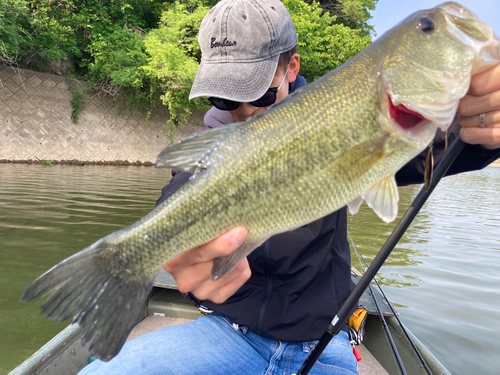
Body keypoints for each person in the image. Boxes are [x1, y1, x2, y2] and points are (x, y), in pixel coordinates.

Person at [79, 0, 500, 374]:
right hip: (229, 333)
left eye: (258, 91)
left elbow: (449, 151)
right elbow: (184, 188)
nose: (242, 111)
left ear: (292, 67)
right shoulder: (202, 149)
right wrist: (172, 248)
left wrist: (484, 128)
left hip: (324, 342)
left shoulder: (373, 122)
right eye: (225, 99)